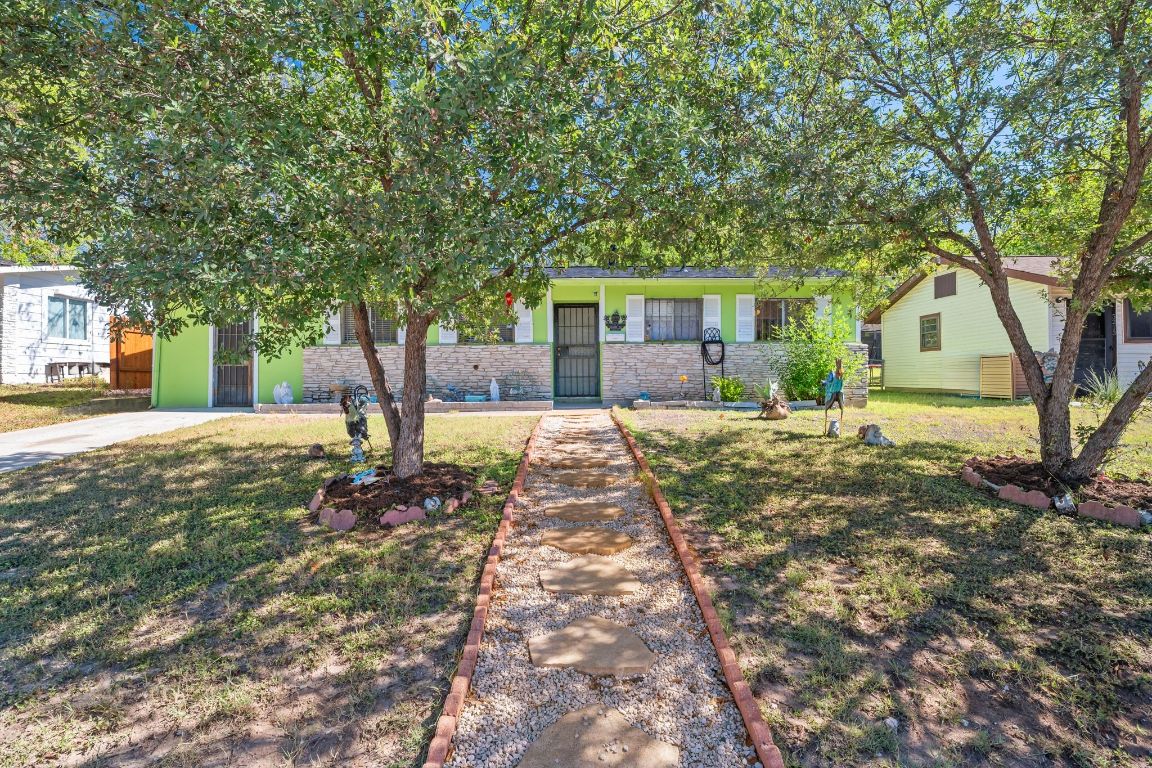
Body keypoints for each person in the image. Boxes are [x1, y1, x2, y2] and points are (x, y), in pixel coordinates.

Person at [823, 358, 845, 436]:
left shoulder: (840, 379)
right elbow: (829, 383)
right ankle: (826, 429)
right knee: (835, 387)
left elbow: (840, 377)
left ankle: (839, 430)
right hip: (832, 392)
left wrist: (839, 367)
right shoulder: (833, 378)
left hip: (838, 391)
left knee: (839, 391)